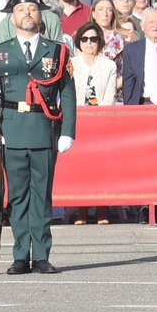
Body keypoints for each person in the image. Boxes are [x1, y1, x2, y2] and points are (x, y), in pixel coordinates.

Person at [0, 0, 76, 274]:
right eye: (21, 9)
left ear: (41, 15)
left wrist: (68, 131)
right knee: (18, 196)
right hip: (11, 128)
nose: (26, 14)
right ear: (12, 17)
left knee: (42, 195)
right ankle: (21, 254)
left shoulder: (57, 51)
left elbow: (67, 94)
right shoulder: (0, 51)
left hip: (44, 127)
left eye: (32, 9)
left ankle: (42, 255)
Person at [69, 22, 119, 226]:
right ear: (79, 42)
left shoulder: (109, 65)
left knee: (101, 167)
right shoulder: (71, 64)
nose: (89, 43)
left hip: (101, 123)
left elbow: (111, 96)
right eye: (85, 39)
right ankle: (82, 210)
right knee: (80, 168)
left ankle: (101, 209)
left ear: (99, 41)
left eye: (93, 39)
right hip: (77, 122)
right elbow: (68, 95)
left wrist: (100, 118)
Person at [120, 7, 157, 106]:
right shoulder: (132, 50)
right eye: (151, 22)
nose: (156, 25)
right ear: (142, 26)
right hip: (143, 103)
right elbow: (128, 83)